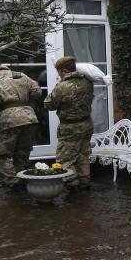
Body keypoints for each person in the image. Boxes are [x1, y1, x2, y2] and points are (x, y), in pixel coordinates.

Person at [0, 56, 42, 187]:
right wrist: (29, 106)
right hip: (29, 118)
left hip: (8, 120)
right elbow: (37, 90)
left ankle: (13, 184)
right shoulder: (20, 75)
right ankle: (24, 183)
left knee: (0, 155)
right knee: (22, 154)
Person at [43, 56, 94, 190]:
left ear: (64, 70)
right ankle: (84, 183)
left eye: (58, 71)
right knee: (82, 155)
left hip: (70, 127)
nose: (58, 74)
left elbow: (49, 104)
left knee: (65, 159)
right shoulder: (87, 82)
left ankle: (72, 185)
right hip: (87, 123)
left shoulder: (62, 87)